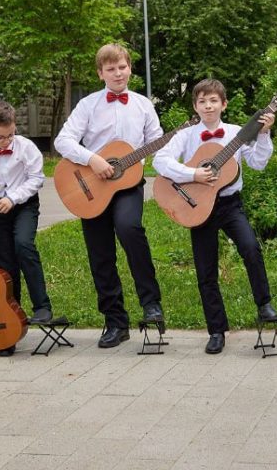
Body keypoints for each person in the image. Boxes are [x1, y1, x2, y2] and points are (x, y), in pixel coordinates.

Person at [153, 79, 277, 354]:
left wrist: (263, 135)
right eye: (202, 101)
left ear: (224, 104)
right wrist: (193, 174)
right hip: (197, 206)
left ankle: (264, 306)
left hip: (230, 205)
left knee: (250, 248)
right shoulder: (186, 136)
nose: (208, 106)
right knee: (205, 269)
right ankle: (216, 331)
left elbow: (258, 163)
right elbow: (159, 161)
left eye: (213, 101)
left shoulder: (236, 133)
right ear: (195, 106)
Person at [54, 43, 165, 348]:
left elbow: (156, 140)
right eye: (111, 69)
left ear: (130, 68)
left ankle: (152, 304)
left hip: (129, 184)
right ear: (100, 73)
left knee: (130, 229)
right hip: (91, 188)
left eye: (122, 67)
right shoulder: (88, 105)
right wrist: (93, 160)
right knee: (100, 252)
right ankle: (115, 321)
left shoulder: (143, 105)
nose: (118, 73)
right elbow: (62, 141)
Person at [0, 100, 54, 356]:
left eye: (10, 135)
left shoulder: (26, 147)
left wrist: (13, 198)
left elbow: (37, 179)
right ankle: (10, 328)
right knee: (5, 267)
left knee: (24, 245)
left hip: (24, 204)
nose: (6, 141)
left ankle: (42, 306)